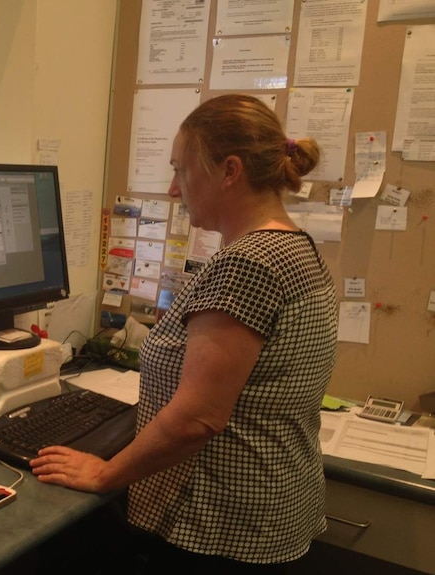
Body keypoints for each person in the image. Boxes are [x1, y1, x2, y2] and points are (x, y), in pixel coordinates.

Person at [30, 94, 338, 573]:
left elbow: (199, 418)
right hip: (275, 512)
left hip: (221, 527)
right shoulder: (295, 247)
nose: (174, 189)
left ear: (229, 171)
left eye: (181, 170)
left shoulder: (248, 264)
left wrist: (106, 473)